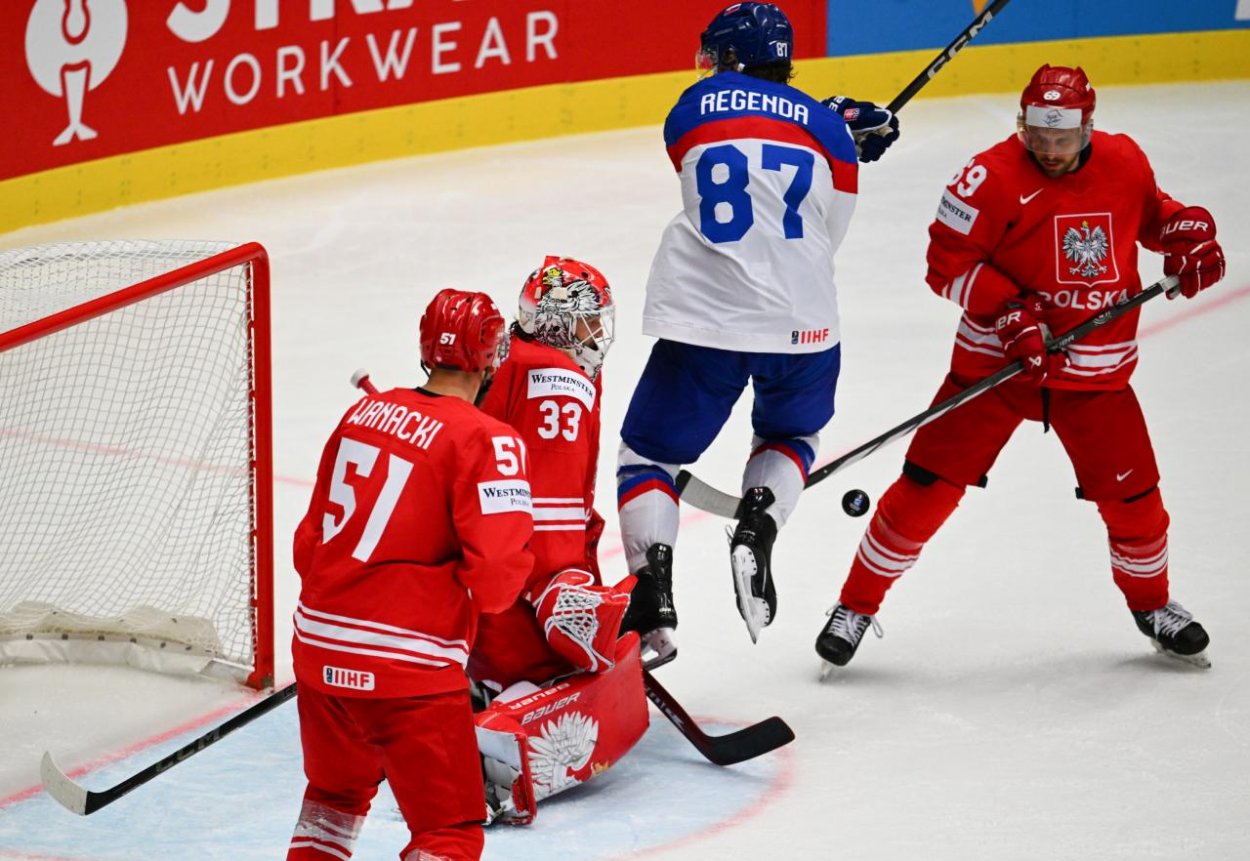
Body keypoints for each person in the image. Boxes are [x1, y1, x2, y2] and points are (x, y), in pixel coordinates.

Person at [814, 64, 1225, 671]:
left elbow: (1151, 217)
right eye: (1038, 135)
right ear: (1021, 125)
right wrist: (1010, 312)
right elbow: (944, 265)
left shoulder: (1125, 160)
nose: (1050, 149)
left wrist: (1186, 237)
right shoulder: (986, 178)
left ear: (1088, 127)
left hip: (1096, 375)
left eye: (1063, 137)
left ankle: (1153, 606)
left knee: (1137, 502)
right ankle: (855, 606)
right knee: (924, 490)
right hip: (994, 372)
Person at [615, 1, 901, 663]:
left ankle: (652, 591)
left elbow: (730, 144)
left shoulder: (688, 111)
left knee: (648, 457)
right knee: (789, 434)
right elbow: (829, 232)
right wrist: (835, 122)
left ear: (726, 58)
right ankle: (759, 520)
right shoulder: (829, 132)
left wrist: (824, 113)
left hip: (705, 317)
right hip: (805, 321)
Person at [286, 289, 534, 861]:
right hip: (407, 668)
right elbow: (496, 586)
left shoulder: (362, 413)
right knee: (448, 833)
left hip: (318, 648)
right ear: (491, 356)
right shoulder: (487, 439)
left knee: (334, 796)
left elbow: (308, 546)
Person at [468, 257, 647, 825]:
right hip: (511, 586)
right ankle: (500, 708)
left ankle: (473, 681)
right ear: (557, 323)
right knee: (558, 672)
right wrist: (560, 587)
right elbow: (547, 511)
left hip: (468, 578)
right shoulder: (558, 383)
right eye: (589, 322)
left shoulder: (509, 358)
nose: (599, 335)